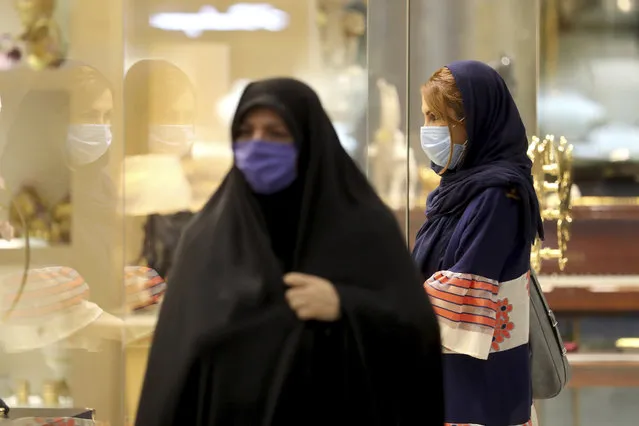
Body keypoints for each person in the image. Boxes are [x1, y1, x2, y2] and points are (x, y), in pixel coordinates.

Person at [135, 77, 444, 426]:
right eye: (246, 131)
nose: (257, 144)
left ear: (308, 141)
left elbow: (416, 334)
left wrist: (346, 306)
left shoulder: (364, 230)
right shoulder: (206, 240)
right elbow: (170, 375)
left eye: (276, 133)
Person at [412, 60, 544, 426]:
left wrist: (385, 304)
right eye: (426, 117)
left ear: (477, 121)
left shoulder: (500, 195)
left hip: (479, 395)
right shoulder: (458, 189)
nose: (429, 130)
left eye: (439, 118)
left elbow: (462, 293)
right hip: (454, 383)